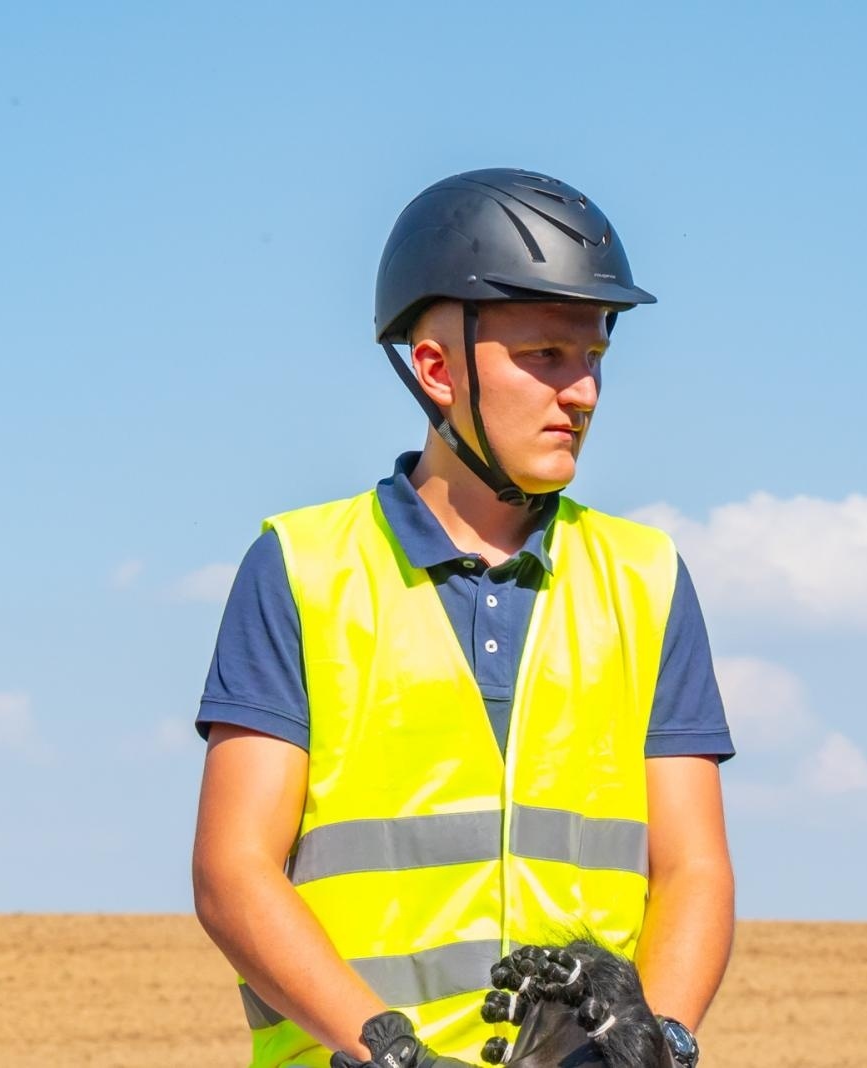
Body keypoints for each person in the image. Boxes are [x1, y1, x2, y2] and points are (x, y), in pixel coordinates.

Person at [192, 168, 735, 1068]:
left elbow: (693, 868)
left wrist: (662, 1043)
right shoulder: (300, 566)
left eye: (594, 355)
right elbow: (232, 871)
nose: (586, 392)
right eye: (547, 357)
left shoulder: (649, 577)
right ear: (437, 370)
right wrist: (389, 1052)